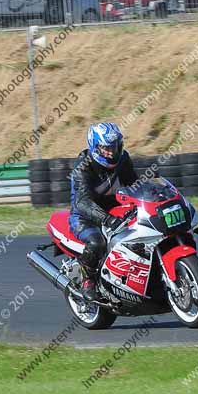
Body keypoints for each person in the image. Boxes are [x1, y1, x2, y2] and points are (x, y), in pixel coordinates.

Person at [69, 123, 138, 301]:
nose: (111, 152)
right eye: (106, 148)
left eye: (114, 147)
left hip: (113, 209)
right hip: (84, 215)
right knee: (97, 243)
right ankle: (88, 280)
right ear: (95, 147)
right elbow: (82, 202)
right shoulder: (83, 167)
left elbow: (135, 184)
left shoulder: (123, 159)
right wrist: (106, 219)